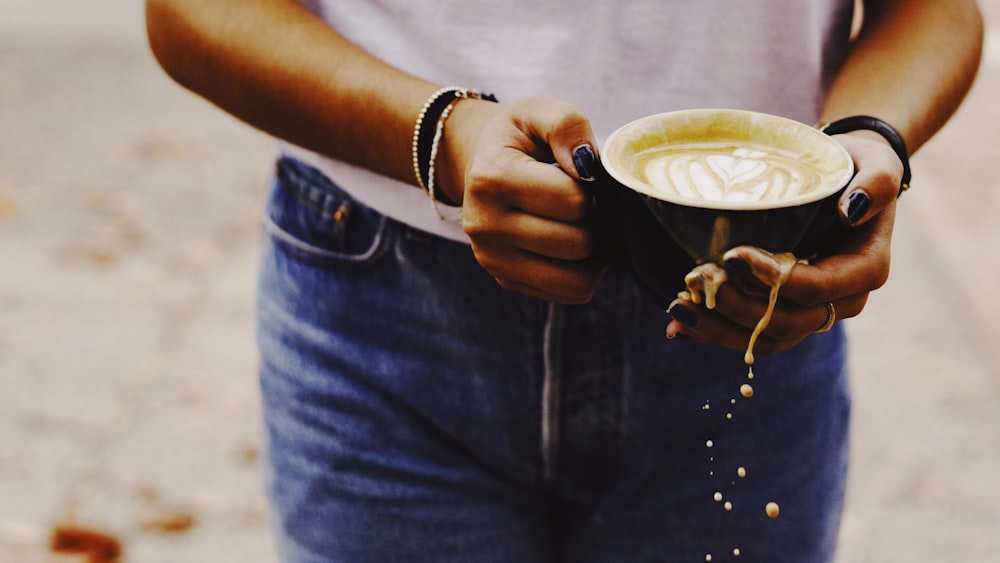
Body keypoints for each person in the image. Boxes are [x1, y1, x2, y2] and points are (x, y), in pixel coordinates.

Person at [145, 1, 982, 561]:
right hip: (385, 316)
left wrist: (868, 144)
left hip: (750, 317)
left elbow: (935, 11)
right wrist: (444, 137)